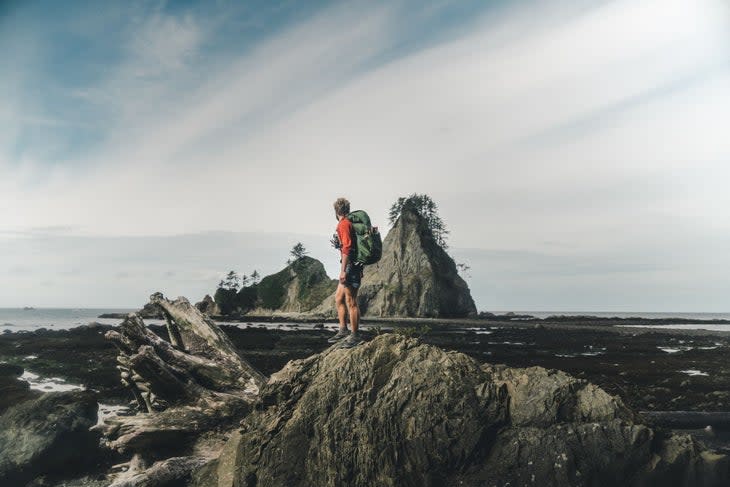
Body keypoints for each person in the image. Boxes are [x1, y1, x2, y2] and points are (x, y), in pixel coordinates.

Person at [328, 197, 364, 348]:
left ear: (336, 211)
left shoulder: (343, 224)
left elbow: (347, 248)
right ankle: (343, 330)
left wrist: (343, 270)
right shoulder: (347, 224)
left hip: (350, 267)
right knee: (338, 298)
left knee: (351, 302)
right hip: (350, 266)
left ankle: (355, 336)